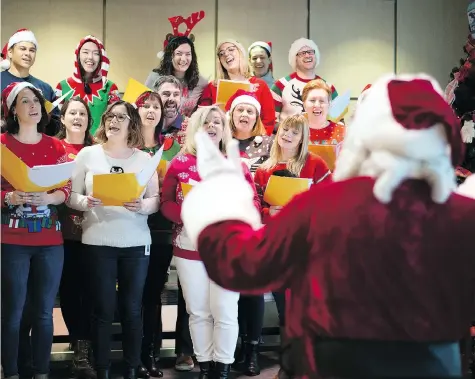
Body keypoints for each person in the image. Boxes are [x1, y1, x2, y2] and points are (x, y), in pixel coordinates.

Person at [180, 73, 475, 379]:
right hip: (435, 363)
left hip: (334, 364)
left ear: (362, 140)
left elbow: (244, 264)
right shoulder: (463, 216)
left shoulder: (321, 206)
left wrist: (222, 204)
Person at [161, 105, 260, 379]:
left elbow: (252, 201)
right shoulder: (179, 163)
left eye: (217, 121)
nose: (212, 126)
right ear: (196, 128)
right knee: (198, 311)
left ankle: (223, 368)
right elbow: (166, 202)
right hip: (189, 248)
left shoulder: (236, 164)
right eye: (206, 122)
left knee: (226, 310)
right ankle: (205, 365)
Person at [68, 101, 159, 379]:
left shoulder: (144, 159)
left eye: (121, 117)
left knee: (132, 309)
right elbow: (71, 196)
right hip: (98, 242)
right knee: (103, 309)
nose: (114, 121)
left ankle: (132, 367)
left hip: (135, 243)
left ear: (132, 123)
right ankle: (103, 368)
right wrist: (85, 201)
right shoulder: (87, 155)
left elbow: (155, 200)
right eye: (110, 116)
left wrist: (142, 206)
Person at [1, 82, 71, 379]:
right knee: (12, 312)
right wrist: (8, 197)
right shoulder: (2, 144)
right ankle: (12, 371)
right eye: (25, 101)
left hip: (49, 240)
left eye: (36, 101)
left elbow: (66, 186)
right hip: (12, 239)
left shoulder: (55, 145)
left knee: (44, 312)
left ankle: (42, 371)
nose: (32, 106)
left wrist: (53, 197)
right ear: (13, 110)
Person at [135, 90, 181, 378]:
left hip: (161, 228)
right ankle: (133, 354)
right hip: (130, 227)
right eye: (145, 105)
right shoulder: (124, 145)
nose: (151, 110)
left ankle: (151, 353)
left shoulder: (171, 146)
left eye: (156, 106)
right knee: (133, 295)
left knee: (153, 293)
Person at [56, 96, 96, 379]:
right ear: (63, 118)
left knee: (94, 294)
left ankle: (87, 347)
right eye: (72, 113)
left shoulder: (98, 152)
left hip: (96, 234)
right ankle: (79, 348)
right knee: (70, 292)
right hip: (63, 234)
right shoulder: (54, 148)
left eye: (82, 113)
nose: (78, 117)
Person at [199, 39, 275, 135]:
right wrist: (211, 112)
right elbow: (200, 119)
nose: (226, 54)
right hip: (220, 142)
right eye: (221, 53)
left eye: (231, 49)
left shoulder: (260, 85)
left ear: (241, 53)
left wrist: (257, 142)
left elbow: (268, 121)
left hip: (252, 144)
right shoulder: (212, 87)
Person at [55, 35, 120, 135]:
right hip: (70, 147)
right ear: (78, 55)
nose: (90, 57)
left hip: (101, 146)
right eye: (85, 52)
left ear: (101, 58)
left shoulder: (110, 88)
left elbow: (116, 122)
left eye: (96, 53)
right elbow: (58, 124)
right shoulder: (62, 87)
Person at [1, 29, 60, 135]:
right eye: (22, 49)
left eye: (32, 50)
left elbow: (56, 127)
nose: (27, 54)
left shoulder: (45, 88)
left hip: (36, 147)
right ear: (10, 52)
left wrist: (46, 119)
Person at [271, 38, 338, 125]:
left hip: (322, 137)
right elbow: (271, 121)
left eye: (310, 52)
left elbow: (338, 120)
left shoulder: (328, 87)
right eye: (302, 53)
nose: (307, 55)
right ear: (294, 58)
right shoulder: (280, 85)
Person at [145, 36, 208, 117]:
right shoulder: (155, 77)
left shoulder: (201, 82)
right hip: (159, 127)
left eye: (188, 54)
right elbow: (143, 105)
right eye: (179, 54)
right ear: (170, 56)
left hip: (187, 128)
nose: (183, 59)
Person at [302, 80, 345, 145]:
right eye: (312, 100)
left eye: (322, 101)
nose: (317, 105)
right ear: (304, 105)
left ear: (330, 105)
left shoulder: (342, 131)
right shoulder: (294, 132)